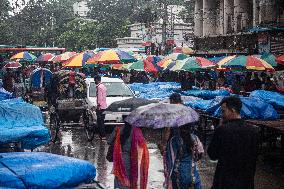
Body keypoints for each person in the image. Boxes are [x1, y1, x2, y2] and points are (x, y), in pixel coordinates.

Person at [207, 96, 259, 189]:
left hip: (225, 182)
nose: (221, 115)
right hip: (246, 182)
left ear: (233, 110)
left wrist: (219, 127)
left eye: (223, 111)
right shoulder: (254, 131)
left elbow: (212, 154)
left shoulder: (222, 130)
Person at [107, 122, 149, 189]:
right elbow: (141, 146)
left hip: (121, 159)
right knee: (132, 181)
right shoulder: (138, 130)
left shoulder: (119, 127)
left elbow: (109, 141)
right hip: (135, 160)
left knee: (121, 181)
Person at [164, 125, 203, 189]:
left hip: (178, 176)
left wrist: (168, 179)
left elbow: (170, 160)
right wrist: (194, 159)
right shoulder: (195, 138)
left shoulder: (174, 140)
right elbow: (200, 152)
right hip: (193, 174)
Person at [94, 75, 107, 140]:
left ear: (97, 80)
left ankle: (102, 135)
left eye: (95, 80)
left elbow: (99, 97)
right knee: (102, 121)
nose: (94, 82)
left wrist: (98, 106)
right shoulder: (103, 86)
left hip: (100, 107)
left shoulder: (99, 87)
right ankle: (102, 135)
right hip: (104, 106)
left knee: (100, 122)